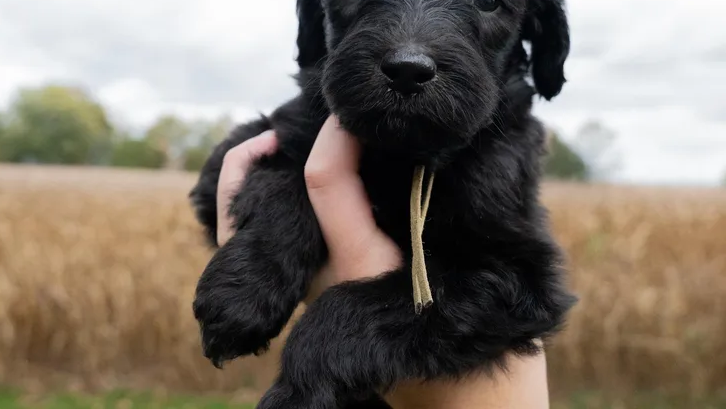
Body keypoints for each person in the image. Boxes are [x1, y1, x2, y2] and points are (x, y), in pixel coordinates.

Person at [214, 115, 550, 409]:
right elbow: (239, 171)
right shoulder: (307, 120)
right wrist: (276, 237)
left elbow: (510, 289)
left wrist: (332, 344)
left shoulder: (491, 162)